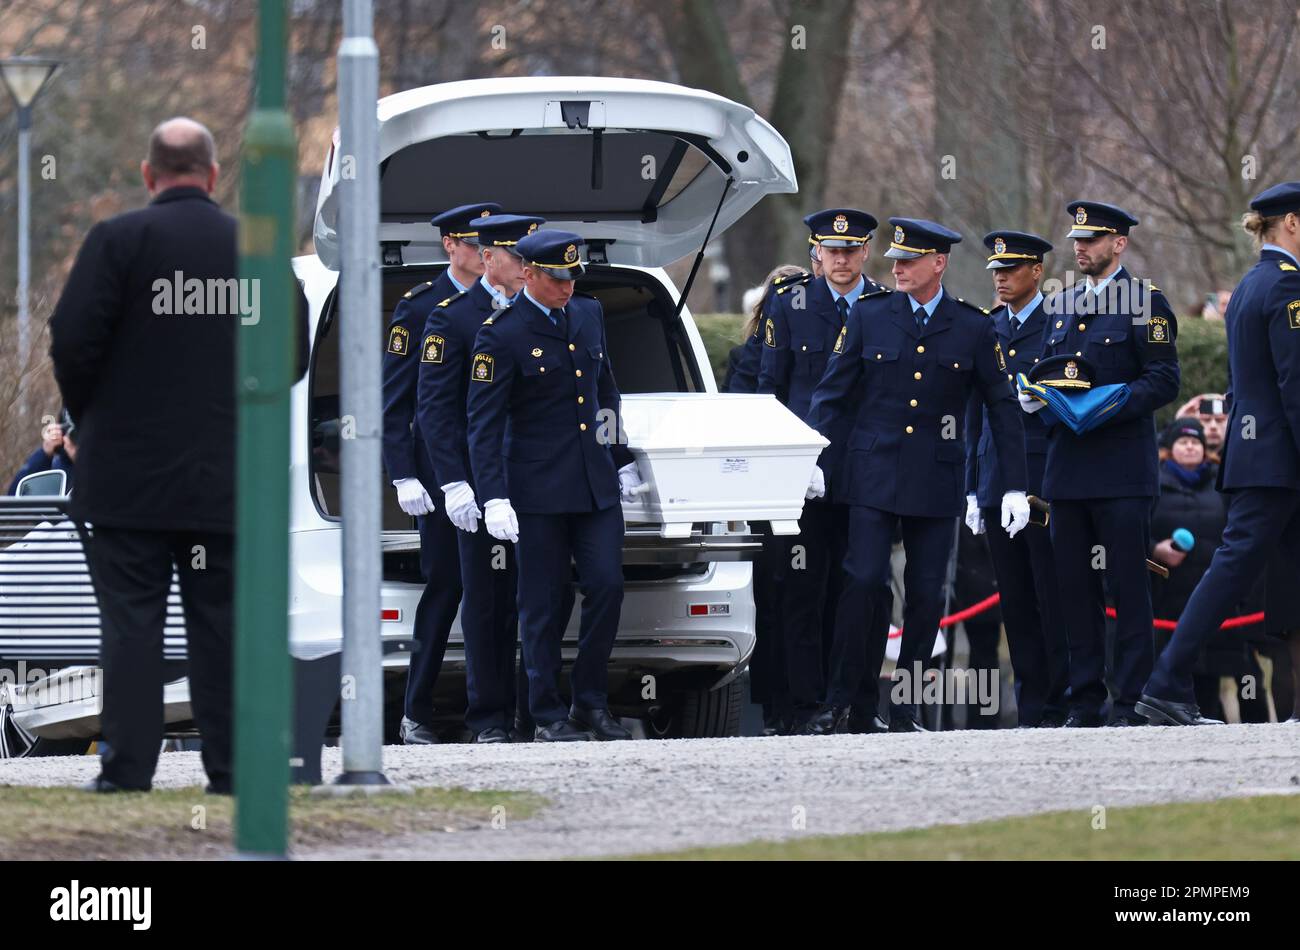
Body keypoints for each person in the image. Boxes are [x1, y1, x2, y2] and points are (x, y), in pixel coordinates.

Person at [48, 117, 288, 793]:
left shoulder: (118, 240)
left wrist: (98, 415)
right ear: (213, 177)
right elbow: (292, 351)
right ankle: (235, 770)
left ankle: (126, 771)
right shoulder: (259, 245)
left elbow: (72, 341)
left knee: (132, 627)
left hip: (130, 480)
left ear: (150, 176)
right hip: (231, 479)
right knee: (226, 627)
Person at [805, 217, 1030, 732]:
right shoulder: (871, 316)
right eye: (895, 262)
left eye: (909, 261)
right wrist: (815, 456)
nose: (898, 269)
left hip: (936, 477)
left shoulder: (973, 326)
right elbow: (832, 393)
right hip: (872, 471)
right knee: (862, 581)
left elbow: (1002, 406)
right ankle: (843, 699)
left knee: (928, 595)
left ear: (938, 263)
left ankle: (904, 707)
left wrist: (1013, 484)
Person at [466, 230, 645, 741]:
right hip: (536, 489)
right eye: (555, 279)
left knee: (607, 585)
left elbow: (604, 388)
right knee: (541, 603)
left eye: (571, 278)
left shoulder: (588, 314)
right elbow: (483, 422)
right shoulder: (500, 333)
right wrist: (493, 495)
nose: (566, 288)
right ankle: (545, 713)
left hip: (593, 484)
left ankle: (589, 701)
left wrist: (620, 456)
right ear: (527, 273)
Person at [1140, 182, 1300, 726]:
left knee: (1274, 572)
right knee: (1232, 570)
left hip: (1259, 456)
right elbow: (1294, 384)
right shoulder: (1286, 289)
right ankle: (1166, 682)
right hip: (1279, 462)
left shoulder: (1253, 285)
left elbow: (1238, 387)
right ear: (1292, 224)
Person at [1028, 200, 1180, 727]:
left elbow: (1164, 378)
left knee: (1127, 586)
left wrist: (1108, 405)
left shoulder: (1146, 303)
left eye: (1092, 239)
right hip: (1068, 470)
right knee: (1074, 586)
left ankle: (1133, 698)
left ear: (1119, 244)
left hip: (1120, 469)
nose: (1080, 247)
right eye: (1077, 238)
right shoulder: (1061, 304)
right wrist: (1037, 399)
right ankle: (1085, 699)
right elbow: (1049, 373)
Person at [758, 208, 889, 734]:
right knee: (802, 586)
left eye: (851, 250)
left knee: (866, 588)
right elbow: (771, 391)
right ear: (815, 253)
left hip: (869, 469)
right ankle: (804, 704)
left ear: (865, 253)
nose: (841, 259)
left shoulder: (887, 304)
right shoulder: (789, 306)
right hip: (804, 474)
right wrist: (785, 462)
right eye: (831, 251)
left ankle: (859, 702)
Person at [416, 213, 543, 743]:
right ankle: (488, 717)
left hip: (535, 480)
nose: (526, 267)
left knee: (538, 599)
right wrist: (454, 483)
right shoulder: (452, 319)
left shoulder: (548, 312)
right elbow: (436, 411)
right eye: (518, 257)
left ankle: (538, 715)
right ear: (490, 258)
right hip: (479, 480)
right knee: (486, 603)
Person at [383, 201, 499, 744]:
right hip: (441, 471)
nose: (482, 253)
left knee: (498, 587)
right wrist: (403, 473)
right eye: (473, 244)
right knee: (448, 584)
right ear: (450, 246)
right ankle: (417, 710)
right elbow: (400, 401)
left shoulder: (510, 301)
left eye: (488, 245)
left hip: (498, 467)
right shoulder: (423, 306)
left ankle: (501, 712)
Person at [963, 231, 1069, 727]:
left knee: (1052, 594)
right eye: (996, 271)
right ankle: (1031, 706)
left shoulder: (1057, 324)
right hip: (993, 478)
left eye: (1011, 270)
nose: (1001, 279)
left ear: (1036, 272)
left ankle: (1061, 701)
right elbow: (971, 413)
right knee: (1016, 602)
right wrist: (969, 484)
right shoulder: (986, 327)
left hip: (1039, 477)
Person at [722, 263, 804, 734]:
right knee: (771, 598)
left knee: (807, 596)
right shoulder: (747, 357)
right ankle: (774, 704)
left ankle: (803, 700)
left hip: (809, 488)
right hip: (764, 494)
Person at [7, 410, 77, 494]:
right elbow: (15, 497)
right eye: (73, 432)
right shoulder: (55, 474)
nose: (77, 437)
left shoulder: (96, 466)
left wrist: (83, 460)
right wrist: (44, 454)